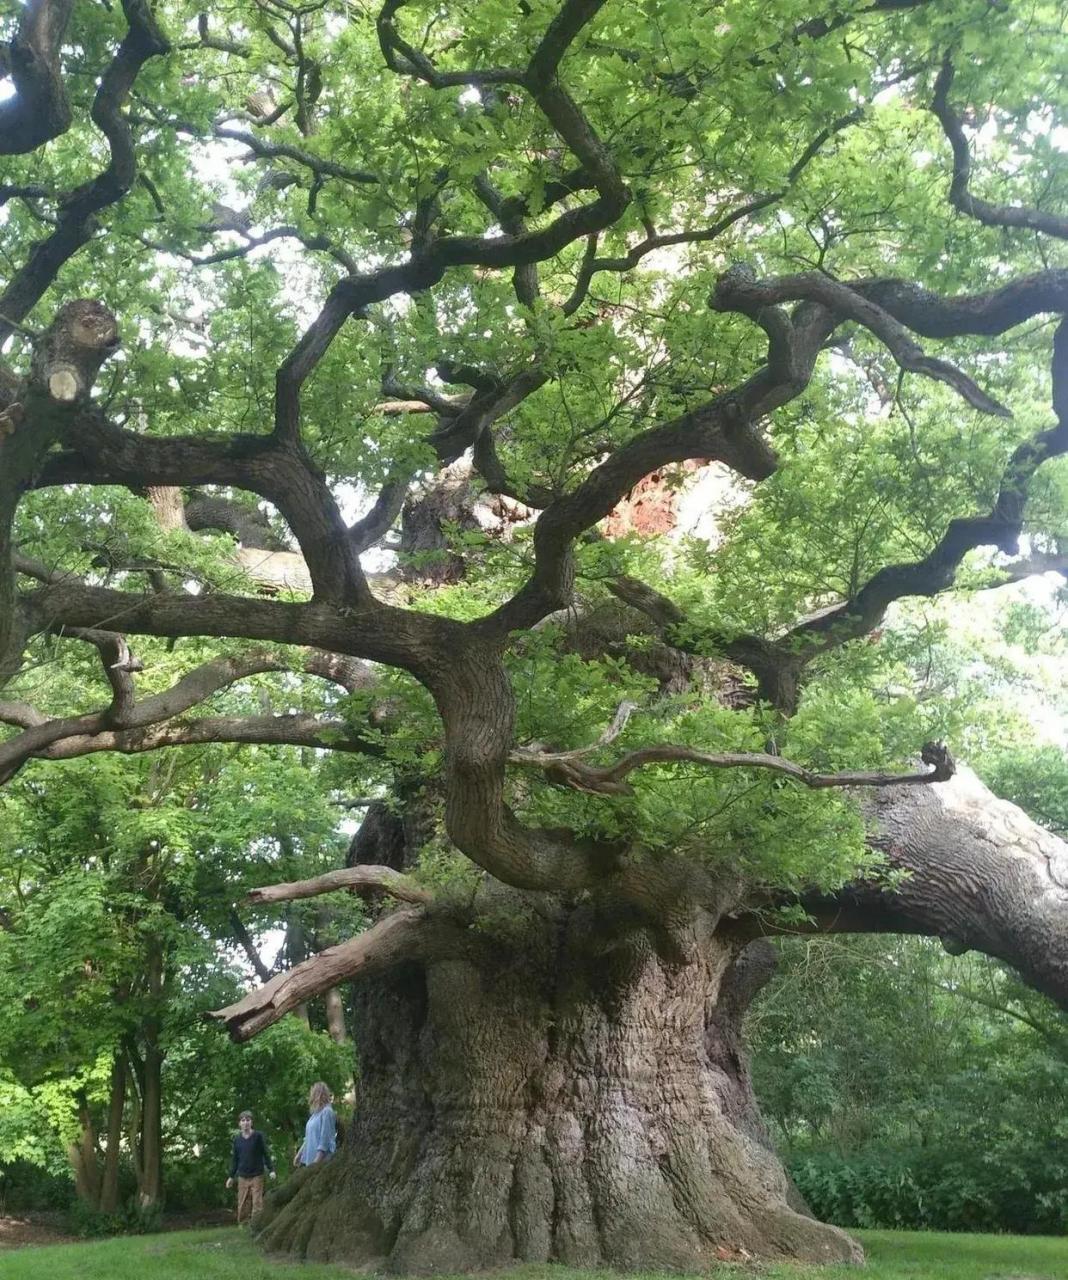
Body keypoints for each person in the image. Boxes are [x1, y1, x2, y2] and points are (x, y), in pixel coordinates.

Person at [225, 1110, 275, 1223]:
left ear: (251, 1122)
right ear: (239, 1124)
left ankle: (257, 1224)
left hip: (257, 1174)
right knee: (242, 1203)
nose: (245, 1122)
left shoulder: (258, 1136)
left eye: (248, 1120)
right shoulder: (237, 1140)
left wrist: (271, 1169)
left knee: (257, 1202)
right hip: (243, 1175)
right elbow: (235, 1160)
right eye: (243, 1120)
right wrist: (231, 1177)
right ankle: (243, 1225)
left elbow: (265, 1153)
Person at [293, 1082, 337, 1167]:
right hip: (311, 1161)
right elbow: (308, 1138)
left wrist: (316, 1162)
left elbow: (325, 1140)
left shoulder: (327, 1112)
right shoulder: (314, 1116)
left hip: (322, 1162)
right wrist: (299, 1155)